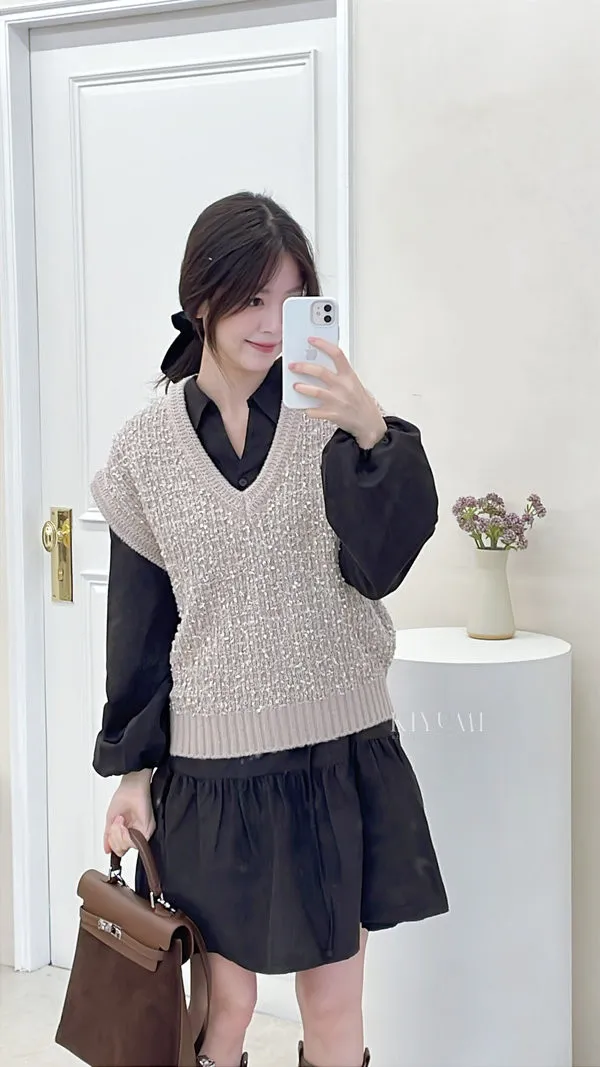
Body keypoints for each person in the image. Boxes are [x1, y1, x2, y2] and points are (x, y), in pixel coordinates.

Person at [91, 191, 448, 1067]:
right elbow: (140, 627)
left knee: (333, 1007)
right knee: (228, 1007)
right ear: (201, 300)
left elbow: (382, 566)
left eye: (288, 300)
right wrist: (133, 771)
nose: (268, 322)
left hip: (334, 757)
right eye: (251, 298)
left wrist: (371, 430)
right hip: (212, 775)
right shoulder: (145, 451)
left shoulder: (331, 422)